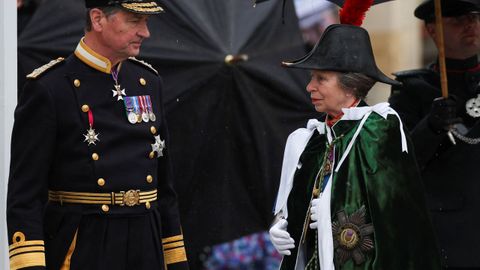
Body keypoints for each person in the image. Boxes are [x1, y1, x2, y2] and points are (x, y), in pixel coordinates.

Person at [7, 1, 189, 269]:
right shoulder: (50, 87)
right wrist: (30, 265)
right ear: (98, 19)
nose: (145, 32)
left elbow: (165, 188)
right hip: (86, 243)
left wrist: (175, 260)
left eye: (146, 22)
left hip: (145, 241)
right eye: (134, 21)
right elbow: (25, 197)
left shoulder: (149, 82)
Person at [269, 23, 441, 269]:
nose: (310, 87)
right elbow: (290, 206)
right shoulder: (309, 139)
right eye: (311, 78)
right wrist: (281, 224)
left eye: (321, 79)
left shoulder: (379, 130)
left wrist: (330, 212)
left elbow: (393, 218)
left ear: (350, 85)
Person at [389, 0, 480, 268]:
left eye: (474, 17)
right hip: (449, 233)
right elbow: (398, 163)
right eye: (457, 20)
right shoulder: (412, 90)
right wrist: (431, 127)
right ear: (432, 29)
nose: (470, 25)